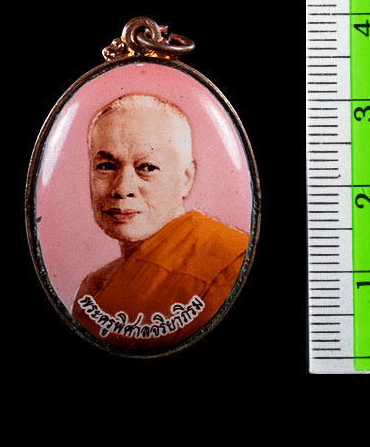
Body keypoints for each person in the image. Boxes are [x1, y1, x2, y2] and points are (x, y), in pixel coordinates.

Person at [71, 94, 249, 351]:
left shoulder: (231, 265)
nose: (122, 188)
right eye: (106, 166)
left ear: (186, 178)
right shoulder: (94, 287)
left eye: (147, 168)